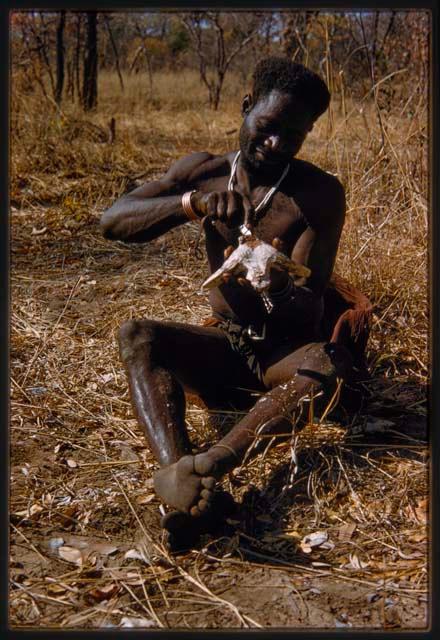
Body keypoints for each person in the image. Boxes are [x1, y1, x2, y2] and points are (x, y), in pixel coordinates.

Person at [100, 57, 372, 546]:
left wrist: (279, 286)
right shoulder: (203, 173)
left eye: (295, 135)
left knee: (327, 363)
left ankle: (215, 463)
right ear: (246, 106)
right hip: (225, 344)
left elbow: (310, 309)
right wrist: (191, 206)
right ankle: (179, 475)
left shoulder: (318, 194)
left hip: (282, 355)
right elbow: (113, 222)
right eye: (268, 127)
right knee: (137, 335)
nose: (277, 144)